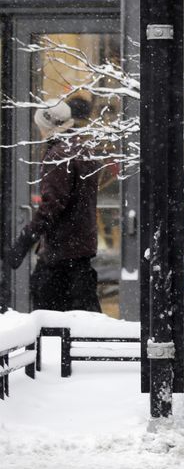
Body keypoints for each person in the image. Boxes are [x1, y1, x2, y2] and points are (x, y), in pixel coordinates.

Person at [5, 101, 101, 312]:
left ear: (47, 125)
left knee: (49, 321)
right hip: (79, 250)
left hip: (61, 254)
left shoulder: (59, 156)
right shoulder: (82, 150)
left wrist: (22, 243)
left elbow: (51, 207)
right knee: (83, 319)